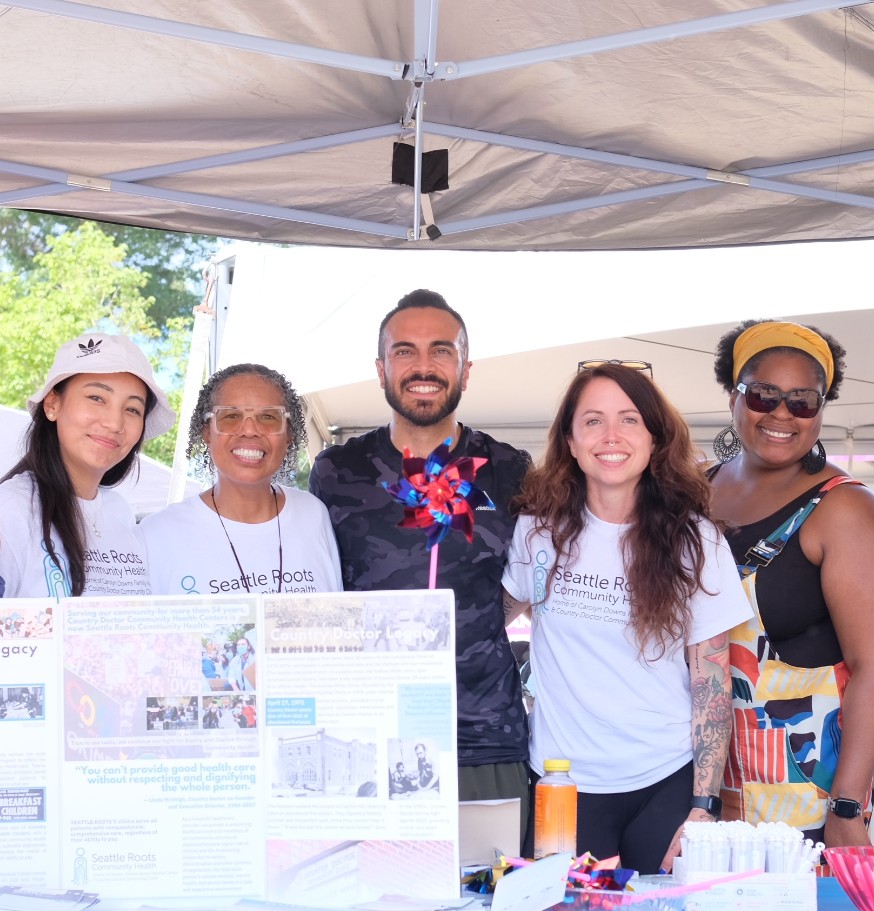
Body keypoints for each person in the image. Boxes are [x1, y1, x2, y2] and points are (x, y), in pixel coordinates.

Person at [502, 362, 752, 874]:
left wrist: (703, 806)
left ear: (655, 438)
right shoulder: (538, 532)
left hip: (666, 781)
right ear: (570, 442)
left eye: (630, 419)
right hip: (563, 784)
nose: (611, 436)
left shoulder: (696, 541)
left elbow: (711, 681)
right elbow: (488, 623)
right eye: (593, 421)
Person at [309, 289, 531, 835]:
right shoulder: (337, 471)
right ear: (381, 369)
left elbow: (530, 580)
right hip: (367, 733)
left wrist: (470, 624)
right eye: (404, 351)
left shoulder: (509, 469)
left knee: (489, 881)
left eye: (442, 350)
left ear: (466, 369)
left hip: (483, 735)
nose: (423, 366)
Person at [708, 319, 874, 847]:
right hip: (701, 798)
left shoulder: (845, 509)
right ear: (734, 398)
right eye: (764, 395)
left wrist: (847, 806)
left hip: (807, 806)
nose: (782, 414)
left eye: (802, 401)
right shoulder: (694, 491)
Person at [141, 363, 342, 596]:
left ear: (289, 434)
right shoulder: (157, 534)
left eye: (268, 417)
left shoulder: (312, 514)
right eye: (231, 416)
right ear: (207, 432)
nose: (249, 430)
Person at [0, 332, 176, 599]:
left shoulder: (119, 512)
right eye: (97, 398)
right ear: (52, 404)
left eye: (132, 409)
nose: (114, 423)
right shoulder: (10, 509)